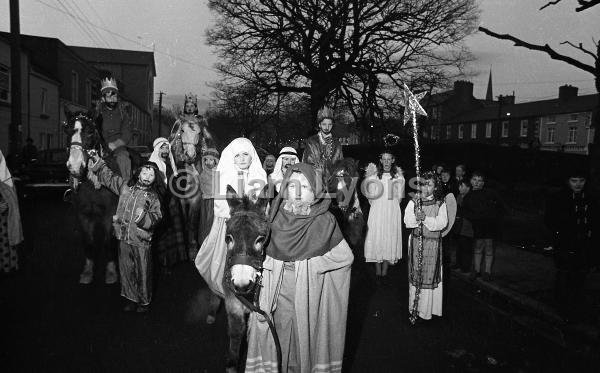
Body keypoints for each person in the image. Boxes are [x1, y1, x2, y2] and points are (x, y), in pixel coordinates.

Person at [245, 163, 354, 373]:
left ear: (315, 191)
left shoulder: (325, 221)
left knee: (302, 340)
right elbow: (263, 254)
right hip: (279, 292)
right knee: (280, 335)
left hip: (307, 293)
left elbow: (345, 258)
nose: (296, 192)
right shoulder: (275, 218)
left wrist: (310, 264)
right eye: (291, 186)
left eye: (304, 187)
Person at [90, 155, 163, 312]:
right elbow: (110, 178)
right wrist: (98, 162)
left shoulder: (153, 197)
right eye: (145, 173)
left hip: (141, 241)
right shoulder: (125, 187)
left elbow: (157, 217)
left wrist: (143, 217)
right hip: (123, 237)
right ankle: (130, 298)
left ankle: (143, 302)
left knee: (143, 272)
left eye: (151, 175)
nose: (147, 177)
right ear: (138, 173)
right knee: (126, 270)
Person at [195, 138, 267, 298]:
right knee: (223, 258)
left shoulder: (259, 176)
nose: (241, 159)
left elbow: (261, 205)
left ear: (252, 157)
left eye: (245, 154)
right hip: (230, 224)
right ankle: (223, 289)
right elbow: (222, 205)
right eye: (237, 155)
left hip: (251, 228)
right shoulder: (226, 175)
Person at [544, 168, 598, 321]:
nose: (578, 184)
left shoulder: (591, 199)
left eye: (581, 181)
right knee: (565, 275)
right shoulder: (558, 198)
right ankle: (563, 308)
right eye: (574, 181)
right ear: (568, 181)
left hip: (584, 245)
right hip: (566, 244)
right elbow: (549, 220)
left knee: (580, 276)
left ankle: (576, 308)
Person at [404, 171, 448, 321]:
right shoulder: (414, 201)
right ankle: (414, 308)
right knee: (417, 275)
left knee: (429, 276)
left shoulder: (440, 203)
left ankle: (427, 311)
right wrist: (417, 219)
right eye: (423, 183)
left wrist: (426, 219)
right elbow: (407, 221)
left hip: (433, 244)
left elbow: (442, 223)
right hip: (417, 241)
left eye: (429, 184)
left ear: (436, 187)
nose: (425, 187)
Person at [363, 152, 405, 285]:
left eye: (389, 159)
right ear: (380, 160)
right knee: (377, 235)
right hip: (377, 210)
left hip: (391, 211)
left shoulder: (399, 178)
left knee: (388, 235)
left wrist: (390, 207)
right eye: (384, 159)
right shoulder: (374, 177)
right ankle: (377, 267)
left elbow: (399, 197)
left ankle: (385, 269)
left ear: (393, 160)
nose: (386, 162)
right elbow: (370, 197)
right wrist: (378, 205)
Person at [149, 138, 187, 270]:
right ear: (157, 149)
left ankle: (170, 261)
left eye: (167, 148)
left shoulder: (170, 166)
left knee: (171, 232)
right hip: (157, 204)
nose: (165, 151)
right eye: (162, 148)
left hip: (171, 202)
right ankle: (159, 262)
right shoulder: (152, 165)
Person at [463, 171, 504, 282]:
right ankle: (476, 271)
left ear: (483, 182)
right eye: (475, 180)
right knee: (478, 247)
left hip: (490, 225)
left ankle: (487, 272)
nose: (477, 183)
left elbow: (501, 207)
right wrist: (474, 219)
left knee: (489, 247)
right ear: (471, 181)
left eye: (479, 180)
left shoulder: (490, 193)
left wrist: (495, 218)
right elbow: (466, 212)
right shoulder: (468, 196)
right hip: (477, 226)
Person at [92, 77, 133, 180]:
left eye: (114, 96)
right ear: (103, 98)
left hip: (118, 148)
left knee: (124, 159)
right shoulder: (97, 113)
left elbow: (127, 134)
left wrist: (114, 145)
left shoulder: (123, 114)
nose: (112, 99)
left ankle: (126, 186)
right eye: (109, 96)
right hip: (99, 146)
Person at [302, 105, 344, 184]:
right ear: (319, 125)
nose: (327, 127)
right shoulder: (312, 141)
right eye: (324, 124)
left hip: (333, 182)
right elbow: (308, 162)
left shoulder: (337, 143)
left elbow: (340, 162)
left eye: (330, 124)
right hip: (315, 180)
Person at [0, 150, 23, 274]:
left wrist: (6, 202)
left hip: (3, 207)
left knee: (6, 237)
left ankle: (9, 266)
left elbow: (5, 180)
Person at [198, 147, 220, 246]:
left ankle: (213, 243)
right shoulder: (203, 172)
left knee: (213, 223)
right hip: (206, 201)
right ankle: (204, 243)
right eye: (206, 160)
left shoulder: (218, 173)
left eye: (211, 160)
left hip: (215, 201)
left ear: (216, 161)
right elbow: (201, 185)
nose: (208, 162)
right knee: (205, 222)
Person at [451, 179, 474, 273]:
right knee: (459, 246)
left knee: (466, 247)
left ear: (468, 188)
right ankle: (458, 263)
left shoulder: (471, 197)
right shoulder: (459, 196)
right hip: (458, 226)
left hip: (467, 226)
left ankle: (465, 267)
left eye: (462, 186)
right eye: (459, 186)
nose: (459, 188)